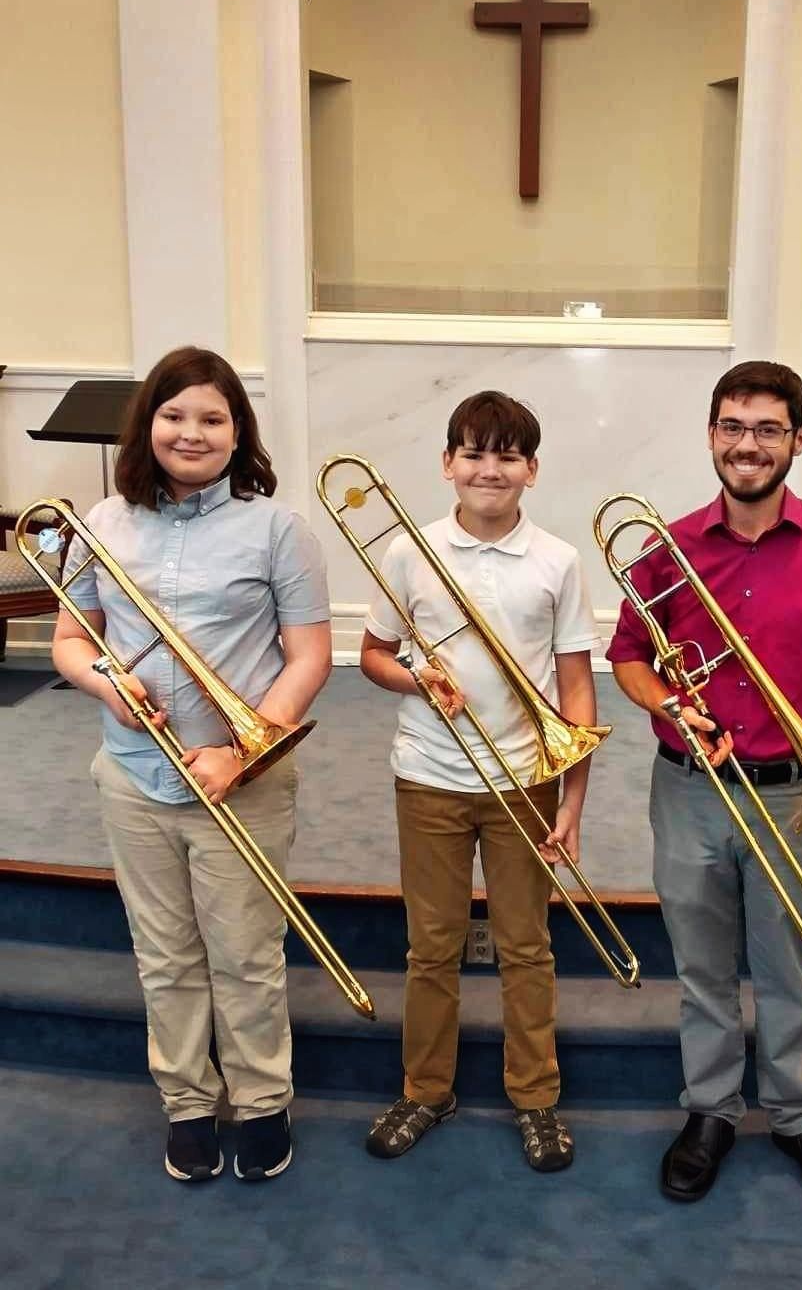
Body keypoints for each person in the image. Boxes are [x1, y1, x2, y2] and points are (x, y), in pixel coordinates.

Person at [606, 360, 802, 1207]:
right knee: (700, 967)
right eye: (732, 426)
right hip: (690, 787)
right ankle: (712, 1109)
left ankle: (800, 1112)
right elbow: (626, 655)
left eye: (768, 429)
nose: (747, 445)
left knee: (785, 964)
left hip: (790, 791)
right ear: (710, 435)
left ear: (800, 438)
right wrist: (667, 701)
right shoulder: (668, 545)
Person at [52, 346, 332, 1184]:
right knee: (165, 952)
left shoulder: (279, 529)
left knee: (245, 950)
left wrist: (243, 749)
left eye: (213, 417)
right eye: (175, 414)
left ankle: (258, 1099)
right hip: (134, 772)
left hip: (241, 778)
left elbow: (310, 656)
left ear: (238, 430)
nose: (192, 431)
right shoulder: (102, 524)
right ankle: (185, 1100)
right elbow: (71, 640)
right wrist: (107, 680)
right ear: (148, 424)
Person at [359, 390, 600, 1171]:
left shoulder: (558, 560)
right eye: (472, 452)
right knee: (431, 947)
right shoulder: (407, 552)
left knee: (526, 945)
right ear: (446, 464)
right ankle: (426, 1087)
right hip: (427, 777)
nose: (488, 469)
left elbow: (576, 691)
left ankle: (535, 1096)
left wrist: (573, 800)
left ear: (531, 469)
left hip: (523, 780)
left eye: (506, 455)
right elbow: (373, 654)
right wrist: (414, 679)